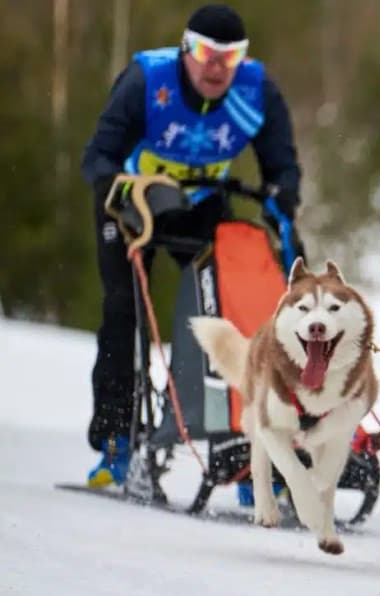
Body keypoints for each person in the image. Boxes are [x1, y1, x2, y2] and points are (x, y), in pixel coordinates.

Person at [80, 4, 302, 490]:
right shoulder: (147, 81)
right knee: (123, 313)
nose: (216, 67)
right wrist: (114, 189)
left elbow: (281, 165)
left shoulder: (255, 90)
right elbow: (98, 155)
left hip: (202, 203)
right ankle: (117, 443)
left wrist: (282, 197)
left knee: (227, 318)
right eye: (205, 53)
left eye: (230, 56)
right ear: (186, 50)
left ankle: (242, 448)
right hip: (132, 199)